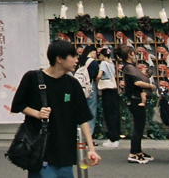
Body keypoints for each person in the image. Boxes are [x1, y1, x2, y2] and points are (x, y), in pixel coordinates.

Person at [10, 39, 101, 177]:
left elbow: (83, 118)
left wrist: (91, 149)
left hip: (65, 156)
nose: (77, 60)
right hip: (41, 154)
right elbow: (17, 105)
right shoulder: (32, 78)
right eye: (73, 56)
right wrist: (37, 113)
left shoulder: (73, 84)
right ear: (59, 59)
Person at [120, 45, 157, 164]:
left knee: (140, 127)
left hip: (135, 98)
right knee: (138, 127)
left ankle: (138, 151)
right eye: (133, 53)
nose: (135, 55)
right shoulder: (129, 67)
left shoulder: (129, 67)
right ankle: (133, 153)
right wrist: (150, 86)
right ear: (129, 55)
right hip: (135, 99)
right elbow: (137, 82)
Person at [96, 47, 120, 148]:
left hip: (107, 90)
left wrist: (97, 84)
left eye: (100, 55)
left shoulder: (103, 64)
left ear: (103, 55)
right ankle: (115, 136)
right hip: (113, 89)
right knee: (114, 113)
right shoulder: (111, 64)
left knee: (108, 113)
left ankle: (112, 139)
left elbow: (99, 75)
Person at [76, 45, 100, 126]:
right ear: (93, 52)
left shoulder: (79, 61)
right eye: (96, 53)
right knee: (91, 109)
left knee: (79, 109)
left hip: (79, 86)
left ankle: (79, 131)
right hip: (90, 86)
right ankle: (88, 133)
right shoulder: (93, 62)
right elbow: (96, 76)